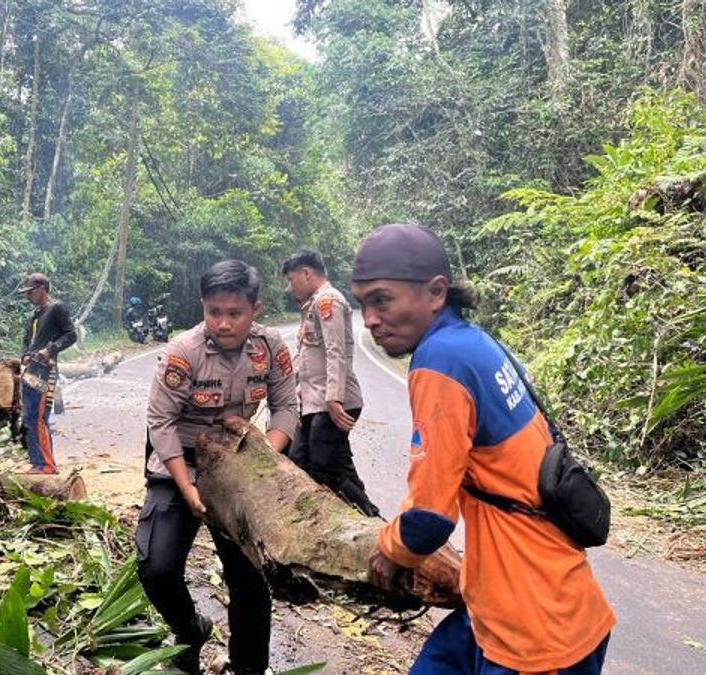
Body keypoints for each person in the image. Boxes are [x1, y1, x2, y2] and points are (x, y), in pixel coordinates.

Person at [353, 224, 614, 674]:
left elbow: (429, 520)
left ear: (435, 293)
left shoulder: (440, 362)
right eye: (363, 304)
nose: (370, 318)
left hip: (532, 629)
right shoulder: (474, 342)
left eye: (381, 300)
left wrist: (388, 549)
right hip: (513, 601)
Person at [137, 260, 299, 675]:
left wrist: (264, 459)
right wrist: (188, 488)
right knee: (156, 567)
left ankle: (249, 668)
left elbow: (286, 409)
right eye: (214, 312)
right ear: (203, 307)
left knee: (249, 580)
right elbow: (161, 423)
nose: (223, 323)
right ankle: (190, 630)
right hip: (180, 466)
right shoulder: (182, 353)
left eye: (234, 313)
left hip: (240, 467)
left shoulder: (271, 349)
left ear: (255, 310)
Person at [281, 250, 379, 517]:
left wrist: (334, 399)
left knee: (323, 468)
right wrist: (298, 401)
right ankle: (366, 514)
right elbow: (307, 364)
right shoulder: (312, 305)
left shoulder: (328, 301)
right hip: (314, 403)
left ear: (306, 273)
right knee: (300, 461)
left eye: (291, 280)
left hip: (332, 402)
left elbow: (336, 352)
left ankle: (367, 517)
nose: (290, 288)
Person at [17, 272, 77, 474]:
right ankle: (36, 463)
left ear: (42, 288)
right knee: (28, 416)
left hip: (45, 371)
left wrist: (50, 349)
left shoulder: (56, 309)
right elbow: (29, 341)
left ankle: (47, 464)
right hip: (30, 371)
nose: (28, 296)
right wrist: (24, 355)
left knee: (40, 416)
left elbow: (70, 335)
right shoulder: (35, 315)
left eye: (30, 292)